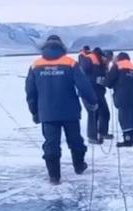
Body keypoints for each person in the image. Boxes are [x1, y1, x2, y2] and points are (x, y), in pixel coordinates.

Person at [25, 35, 98, 185]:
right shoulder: (70, 63)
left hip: (47, 113)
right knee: (75, 140)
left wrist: (35, 112)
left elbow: (30, 92)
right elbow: (84, 85)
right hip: (70, 111)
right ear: (61, 47)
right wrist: (92, 101)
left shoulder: (35, 66)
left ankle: (54, 176)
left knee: (51, 143)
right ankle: (79, 165)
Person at [105, 52, 133, 147]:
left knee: (124, 119)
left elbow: (108, 81)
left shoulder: (117, 65)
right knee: (131, 118)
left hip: (123, 96)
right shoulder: (132, 67)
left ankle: (128, 140)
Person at [80, 46, 112, 143]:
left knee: (105, 112)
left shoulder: (103, 64)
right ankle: (92, 137)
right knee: (93, 113)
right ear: (104, 56)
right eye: (108, 59)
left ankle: (103, 132)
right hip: (89, 92)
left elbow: (105, 77)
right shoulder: (89, 59)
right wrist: (94, 80)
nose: (108, 62)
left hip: (99, 92)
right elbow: (81, 74)